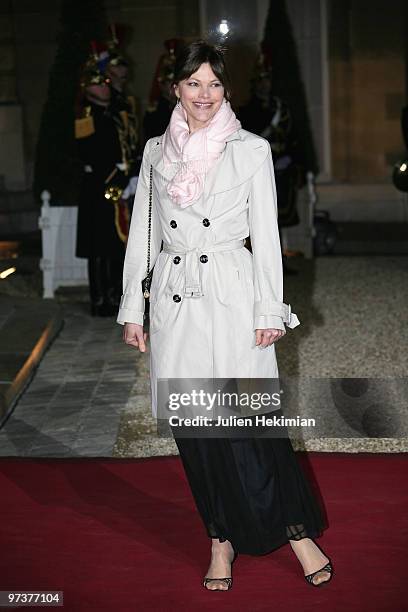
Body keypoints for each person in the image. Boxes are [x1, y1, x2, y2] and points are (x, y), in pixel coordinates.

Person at [117, 40, 333, 591]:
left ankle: (296, 530)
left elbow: (266, 237)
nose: (204, 95)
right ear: (176, 89)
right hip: (176, 298)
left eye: (214, 84)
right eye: (194, 84)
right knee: (198, 430)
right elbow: (141, 236)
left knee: (251, 423)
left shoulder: (252, 150)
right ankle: (220, 538)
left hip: (235, 295)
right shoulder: (154, 152)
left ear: (226, 90)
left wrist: (270, 310)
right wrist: (131, 309)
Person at [239, 47, 304, 274]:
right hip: (259, 170)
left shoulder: (281, 108)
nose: (264, 85)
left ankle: (278, 263)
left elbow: (294, 138)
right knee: (258, 220)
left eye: (267, 80)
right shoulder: (247, 110)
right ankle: (257, 264)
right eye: (260, 81)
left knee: (278, 219)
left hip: (281, 171)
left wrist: (291, 160)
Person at [75, 51, 130, 316]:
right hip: (98, 188)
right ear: (87, 89)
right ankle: (99, 300)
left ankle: (114, 294)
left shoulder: (111, 113)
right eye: (98, 83)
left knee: (114, 244)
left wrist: (126, 175)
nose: (104, 87)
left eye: (104, 83)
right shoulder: (86, 115)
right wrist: (117, 176)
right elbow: (90, 153)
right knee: (98, 246)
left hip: (114, 184)